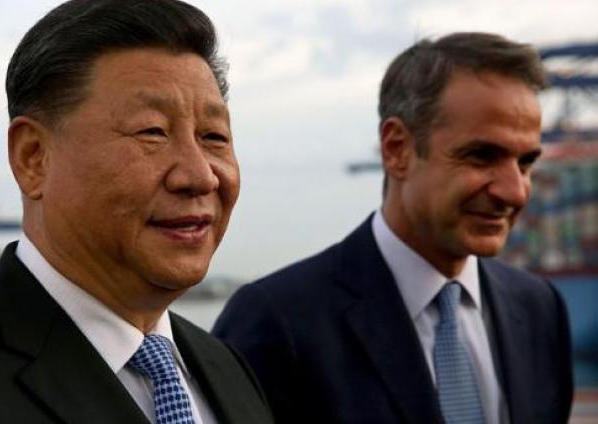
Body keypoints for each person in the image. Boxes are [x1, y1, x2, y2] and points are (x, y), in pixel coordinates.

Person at [0, 0, 274, 423]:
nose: (200, 176)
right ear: (33, 158)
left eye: (214, 136)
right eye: (152, 131)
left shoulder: (226, 368)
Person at [213, 32, 573, 424]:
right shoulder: (276, 322)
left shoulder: (539, 309)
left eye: (525, 163)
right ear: (396, 148)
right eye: (482, 156)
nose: (515, 192)